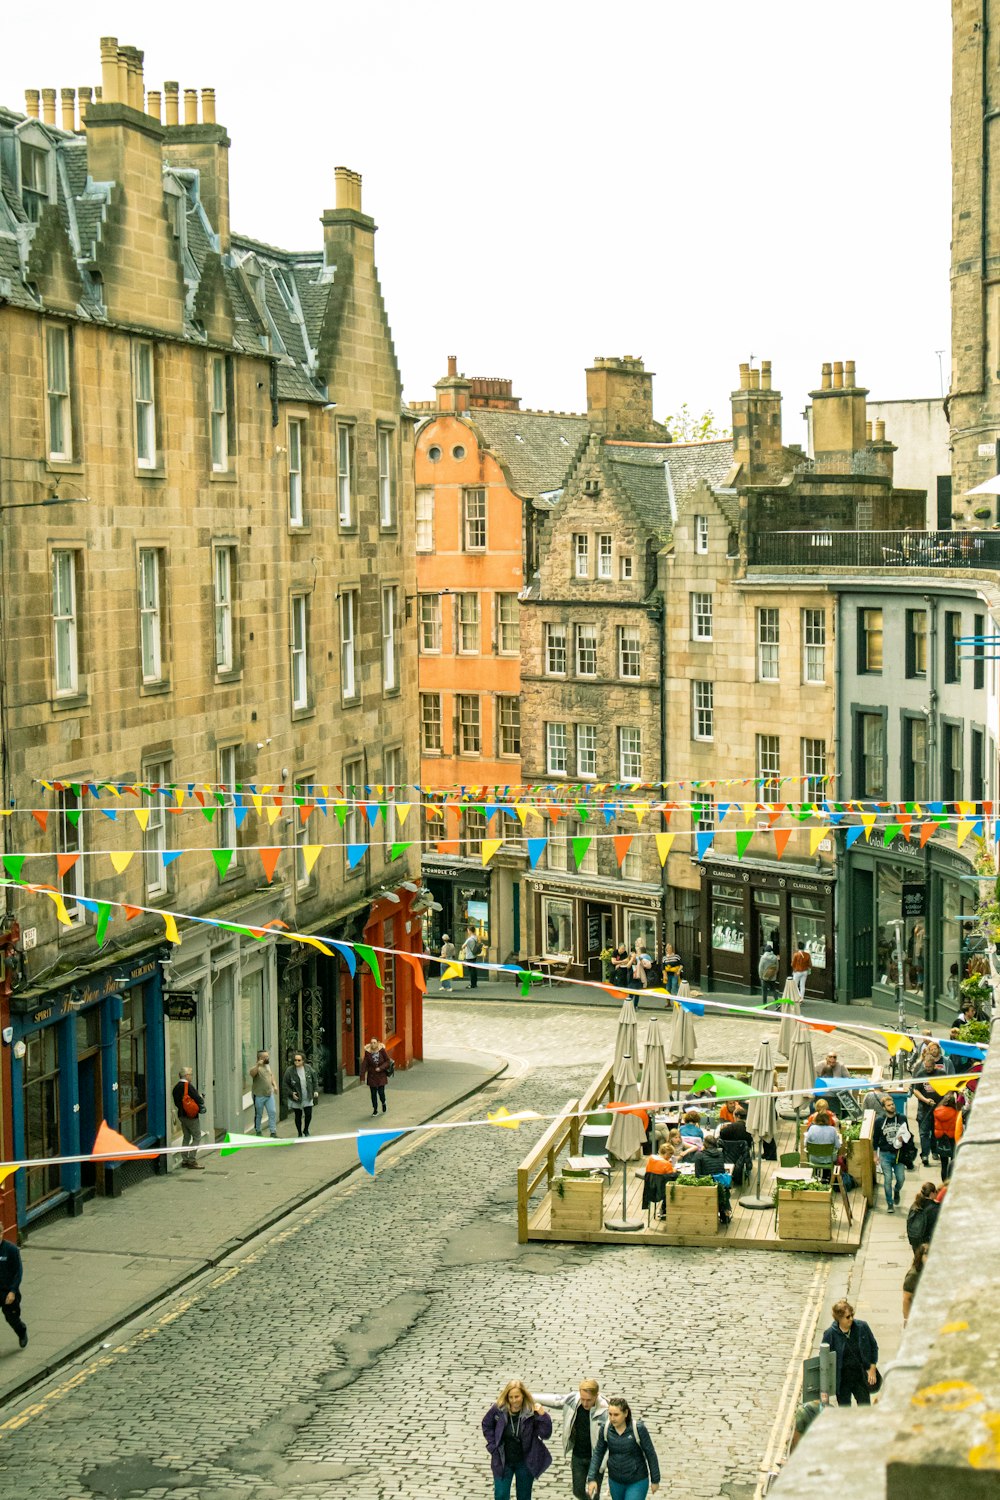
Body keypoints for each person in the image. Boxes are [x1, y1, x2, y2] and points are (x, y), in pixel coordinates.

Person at [536, 1379, 609, 1500]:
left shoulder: (606, 1411)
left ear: (596, 1395)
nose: (585, 1403)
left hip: (596, 1458)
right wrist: (529, 1396)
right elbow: (555, 1400)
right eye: (583, 1398)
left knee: (595, 1493)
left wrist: (603, 1464)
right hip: (578, 1455)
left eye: (589, 1400)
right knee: (578, 1491)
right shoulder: (573, 1400)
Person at [482, 1378, 553, 1499]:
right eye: (511, 1397)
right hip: (503, 1461)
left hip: (525, 1461)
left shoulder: (531, 1411)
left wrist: (543, 1416)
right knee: (500, 1495)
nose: (514, 1400)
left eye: (517, 1397)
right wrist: (492, 1446)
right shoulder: (498, 1409)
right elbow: (486, 1425)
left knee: (524, 1496)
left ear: (523, 1396)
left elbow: (545, 1434)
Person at [586, 1395, 660, 1499]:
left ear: (625, 1413)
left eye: (616, 1415)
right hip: (615, 1481)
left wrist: (655, 1479)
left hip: (637, 1480)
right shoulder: (606, 1429)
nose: (612, 1418)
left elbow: (650, 1454)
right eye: (610, 1414)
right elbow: (598, 1453)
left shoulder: (638, 1429)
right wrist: (591, 1478)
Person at [820, 1300, 879, 1407]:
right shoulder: (830, 1335)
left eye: (852, 1315)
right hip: (842, 1381)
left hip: (860, 1377)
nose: (851, 1319)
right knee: (845, 1411)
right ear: (839, 1318)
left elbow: (874, 1347)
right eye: (847, 1317)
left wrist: (872, 1368)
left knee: (865, 1409)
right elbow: (824, 1360)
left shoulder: (862, 1327)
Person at [912, 1045, 951, 1165]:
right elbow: (916, 1090)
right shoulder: (920, 1074)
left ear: (934, 1065)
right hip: (924, 1109)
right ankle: (924, 1155)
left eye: (930, 1067)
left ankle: (934, 1151)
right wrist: (925, 1100)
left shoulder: (941, 1073)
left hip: (938, 1108)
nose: (927, 1069)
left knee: (935, 1132)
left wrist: (942, 1102)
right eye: (926, 1067)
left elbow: (949, 1090)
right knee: (924, 1133)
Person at [873, 1094, 911, 1212]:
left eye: (893, 1104)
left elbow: (908, 1134)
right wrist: (875, 1156)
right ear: (884, 1108)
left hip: (899, 1154)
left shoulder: (902, 1118)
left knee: (901, 1178)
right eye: (889, 1105)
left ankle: (897, 1190)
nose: (892, 1107)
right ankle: (890, 1203)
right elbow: (875, 1140)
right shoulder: (879, 1121)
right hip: (885, 1154)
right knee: (887, 1179)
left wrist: (903, 1139)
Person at [172, 1066, 207, 1169]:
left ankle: (185, 1159)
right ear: (186, 1075)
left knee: (186, 1137)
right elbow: (198, 1099)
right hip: (191, 1116)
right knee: (197, 1137)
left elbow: (177, 1102)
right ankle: (192, 1160)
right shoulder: (188, 1086)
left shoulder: (176, 1088)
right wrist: (201, 1097)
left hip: (182, 1115)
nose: (191, 1077)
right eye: (190, 1075)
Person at [693, 1132, 732, 1223]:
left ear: (704, 1144)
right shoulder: (720, 1154)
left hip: (706, 1185)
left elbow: (697, 1176)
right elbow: (721, 1171)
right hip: (720, 1186)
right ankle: (724, 1213)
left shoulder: (699, 1155)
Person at [282, 1050, 318, 1137]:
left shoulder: (308, 1068)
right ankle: (299, 1132)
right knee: (298, 1115)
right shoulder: (290, 1071)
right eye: (295, 1060)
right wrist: (291, 1093)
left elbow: (314, 1079)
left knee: (308, 1114)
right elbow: (285, 1084)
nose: (297, 1062)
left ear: (303, 1060)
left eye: (299, 1060)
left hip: (307, 1095)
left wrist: (315, 1090)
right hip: (297, 1097)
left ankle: (306, 1130)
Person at [0, 1236, 28, 1350]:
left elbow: (18, 1272)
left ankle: (21, 1331)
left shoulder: (11, 1249)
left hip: (7, 1291)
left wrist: (13, 1291)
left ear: (1, 1233)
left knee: (11, 1318)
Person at [249, 1049, 279, 1138]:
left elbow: (271, 1076)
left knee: (272, 1112)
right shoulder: (256, 1068)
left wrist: (275, 1085)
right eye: (266, 1056)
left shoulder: (267, 1066)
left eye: (267, 1056)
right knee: (259, 1114)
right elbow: (252, 1074)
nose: (267, 1058)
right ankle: (258, 1131)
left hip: (269, 1094)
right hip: (259, 1095)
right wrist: (258, 1065)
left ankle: (273, 1132)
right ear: (260, 1058)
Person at [933, 1090, 960, 1181]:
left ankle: (944, 1183)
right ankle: (951, 1181)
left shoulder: (937, 1111)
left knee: (944, 1165)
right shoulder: (955, 1113)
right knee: (953, 1163)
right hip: (952, 1139)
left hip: (941, 1139)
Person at [906, 1182, 941, 1252]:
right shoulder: (935, 1208)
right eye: (935, 1192)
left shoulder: (915, 1204)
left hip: (915, 1241)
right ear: (931, 1194)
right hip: (927, 1243)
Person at [361, 1037, 391, 1116]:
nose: (373, 1044)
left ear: (378, 1043)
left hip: (381, 1075)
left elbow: (388, 1061)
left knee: (381, 1092)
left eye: (374, 1042)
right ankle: (375, 1109)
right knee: (373, 1094)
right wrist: (362, 1077)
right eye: (371, 1043)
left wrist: (381, 1068)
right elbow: (364, 1064)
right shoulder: (367, 1053)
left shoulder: (382, 1051)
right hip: (372, 1076)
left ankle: (383, 1102)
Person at [902, 1243, 928, 1326]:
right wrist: (907, 1319)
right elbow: (906, 1299)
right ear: (920, 1256)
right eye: (926, 1254)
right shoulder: (914, 1275)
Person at [461, 925, 482, 990]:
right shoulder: (476, 938)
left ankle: (472, 984)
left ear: (470, 931)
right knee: (474, 970)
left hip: (469, 956)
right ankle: (475, 983)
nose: (467, 931)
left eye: (468, 930)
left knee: (471, 971)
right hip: (474, 955)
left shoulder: (469, 939)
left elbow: (463, 946)